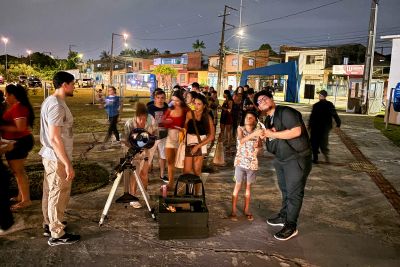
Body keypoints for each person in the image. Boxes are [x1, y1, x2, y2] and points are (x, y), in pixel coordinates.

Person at [254, 90, 312, 241]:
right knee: (285, 190)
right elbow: (273, 139)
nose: (262, 101)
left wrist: (271, 134)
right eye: (259, 102)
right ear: (259, 108)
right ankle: (284, 215)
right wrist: (266, 136)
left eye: (264, 98)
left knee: (294, 193)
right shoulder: (268, 120)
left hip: (296, 158)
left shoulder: (286, 112)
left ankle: (291, 226)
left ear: (272, 99)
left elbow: (296, 131)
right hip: (281, 159)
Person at [39, 71, 80, 246]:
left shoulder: (51, 101)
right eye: (72, 84)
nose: (74, 87)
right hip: (57, 157)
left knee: (50, 191)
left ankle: (50, 224)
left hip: (51, 155)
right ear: (64, 84)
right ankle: (57, 234)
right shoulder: (56, 105)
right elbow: (55, 137)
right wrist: (67, 163)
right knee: (58, 192)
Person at [0, 84, 35, 211]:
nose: (5, 97)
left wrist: (2, 127)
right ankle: (21, 196)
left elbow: (20, 128)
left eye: (6, 94)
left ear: (12, 95)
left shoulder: (19, 108)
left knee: (19, 172)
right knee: (17, 171)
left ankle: (26, 200)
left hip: (19, 142)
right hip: (16, 141)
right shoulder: (16, 106)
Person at [123, 102, 158, 208]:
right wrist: (134, 149)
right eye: (140, 119)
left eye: (144, 118)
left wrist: (150, 140)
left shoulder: (149, 122)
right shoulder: (129, 124)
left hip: (146, 150)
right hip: (132, 151)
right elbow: (125, 141)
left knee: (144, 173)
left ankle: (144, 192)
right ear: (135, 116)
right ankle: (132, 197)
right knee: (135, 173)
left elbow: (155, 133)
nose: (142, 121)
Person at [230, 111, 263, 222]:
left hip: (252, 164)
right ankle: (233, 210)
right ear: (243, 119)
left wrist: (259, 144)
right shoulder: (240, 129)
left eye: (252, 117)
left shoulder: (257, 132)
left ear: (255, 120)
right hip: (240, 163)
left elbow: (259, 148)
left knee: (248, 188)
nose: (249, 119)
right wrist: (255, 134)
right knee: (237, 186)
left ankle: (246, 209)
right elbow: (241, 141)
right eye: (247, 117)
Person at [183, 94, 215, 193]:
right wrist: (182, 134)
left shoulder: (207, 117)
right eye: (195, 104)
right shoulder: (189, 114)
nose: (196, 106)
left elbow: (211, 136)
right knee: (186, 171)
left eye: (199, 104)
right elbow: (185, 128)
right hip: (188, 142)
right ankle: (188, 192)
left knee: (197, 171)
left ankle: (197, 194)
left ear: (204, 105)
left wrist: (198, 146)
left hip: (201, 142)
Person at [163, 91, 188, 189]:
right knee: (170, 161)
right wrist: (167, 122)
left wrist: (181, 127)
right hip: (170, 136)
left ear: (181, 100)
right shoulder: (169, 109)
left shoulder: (185, 110)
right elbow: (163, 122)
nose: (175, 102)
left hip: (181, 137)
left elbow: (188, 122)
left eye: (177, 100)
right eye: (173, 100)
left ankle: (183, 184)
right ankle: (171, 182)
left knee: (181, 161)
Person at [308, 89, 341, 164]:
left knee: (314, 142)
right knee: (323, 142)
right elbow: (334, 114)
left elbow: (312, 117)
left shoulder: (316, 105)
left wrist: (309, 126)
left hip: (316, 127)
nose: (319, 96)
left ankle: (315, 158)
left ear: (321, 96)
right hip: (325, 127)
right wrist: (338, 123)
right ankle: (326, 156)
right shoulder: (330, 104)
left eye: (319, 95)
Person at [147, 89, 168, 182]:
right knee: (149, 156)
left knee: (162, 155)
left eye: (162, 98)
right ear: (154, 98)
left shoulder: (167, 107)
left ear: (165, 98)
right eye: (158, 97)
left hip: (163, 135)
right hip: (151, 135)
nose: (160, 99)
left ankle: (162, 175)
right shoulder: (150, 108)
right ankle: (146, 175)